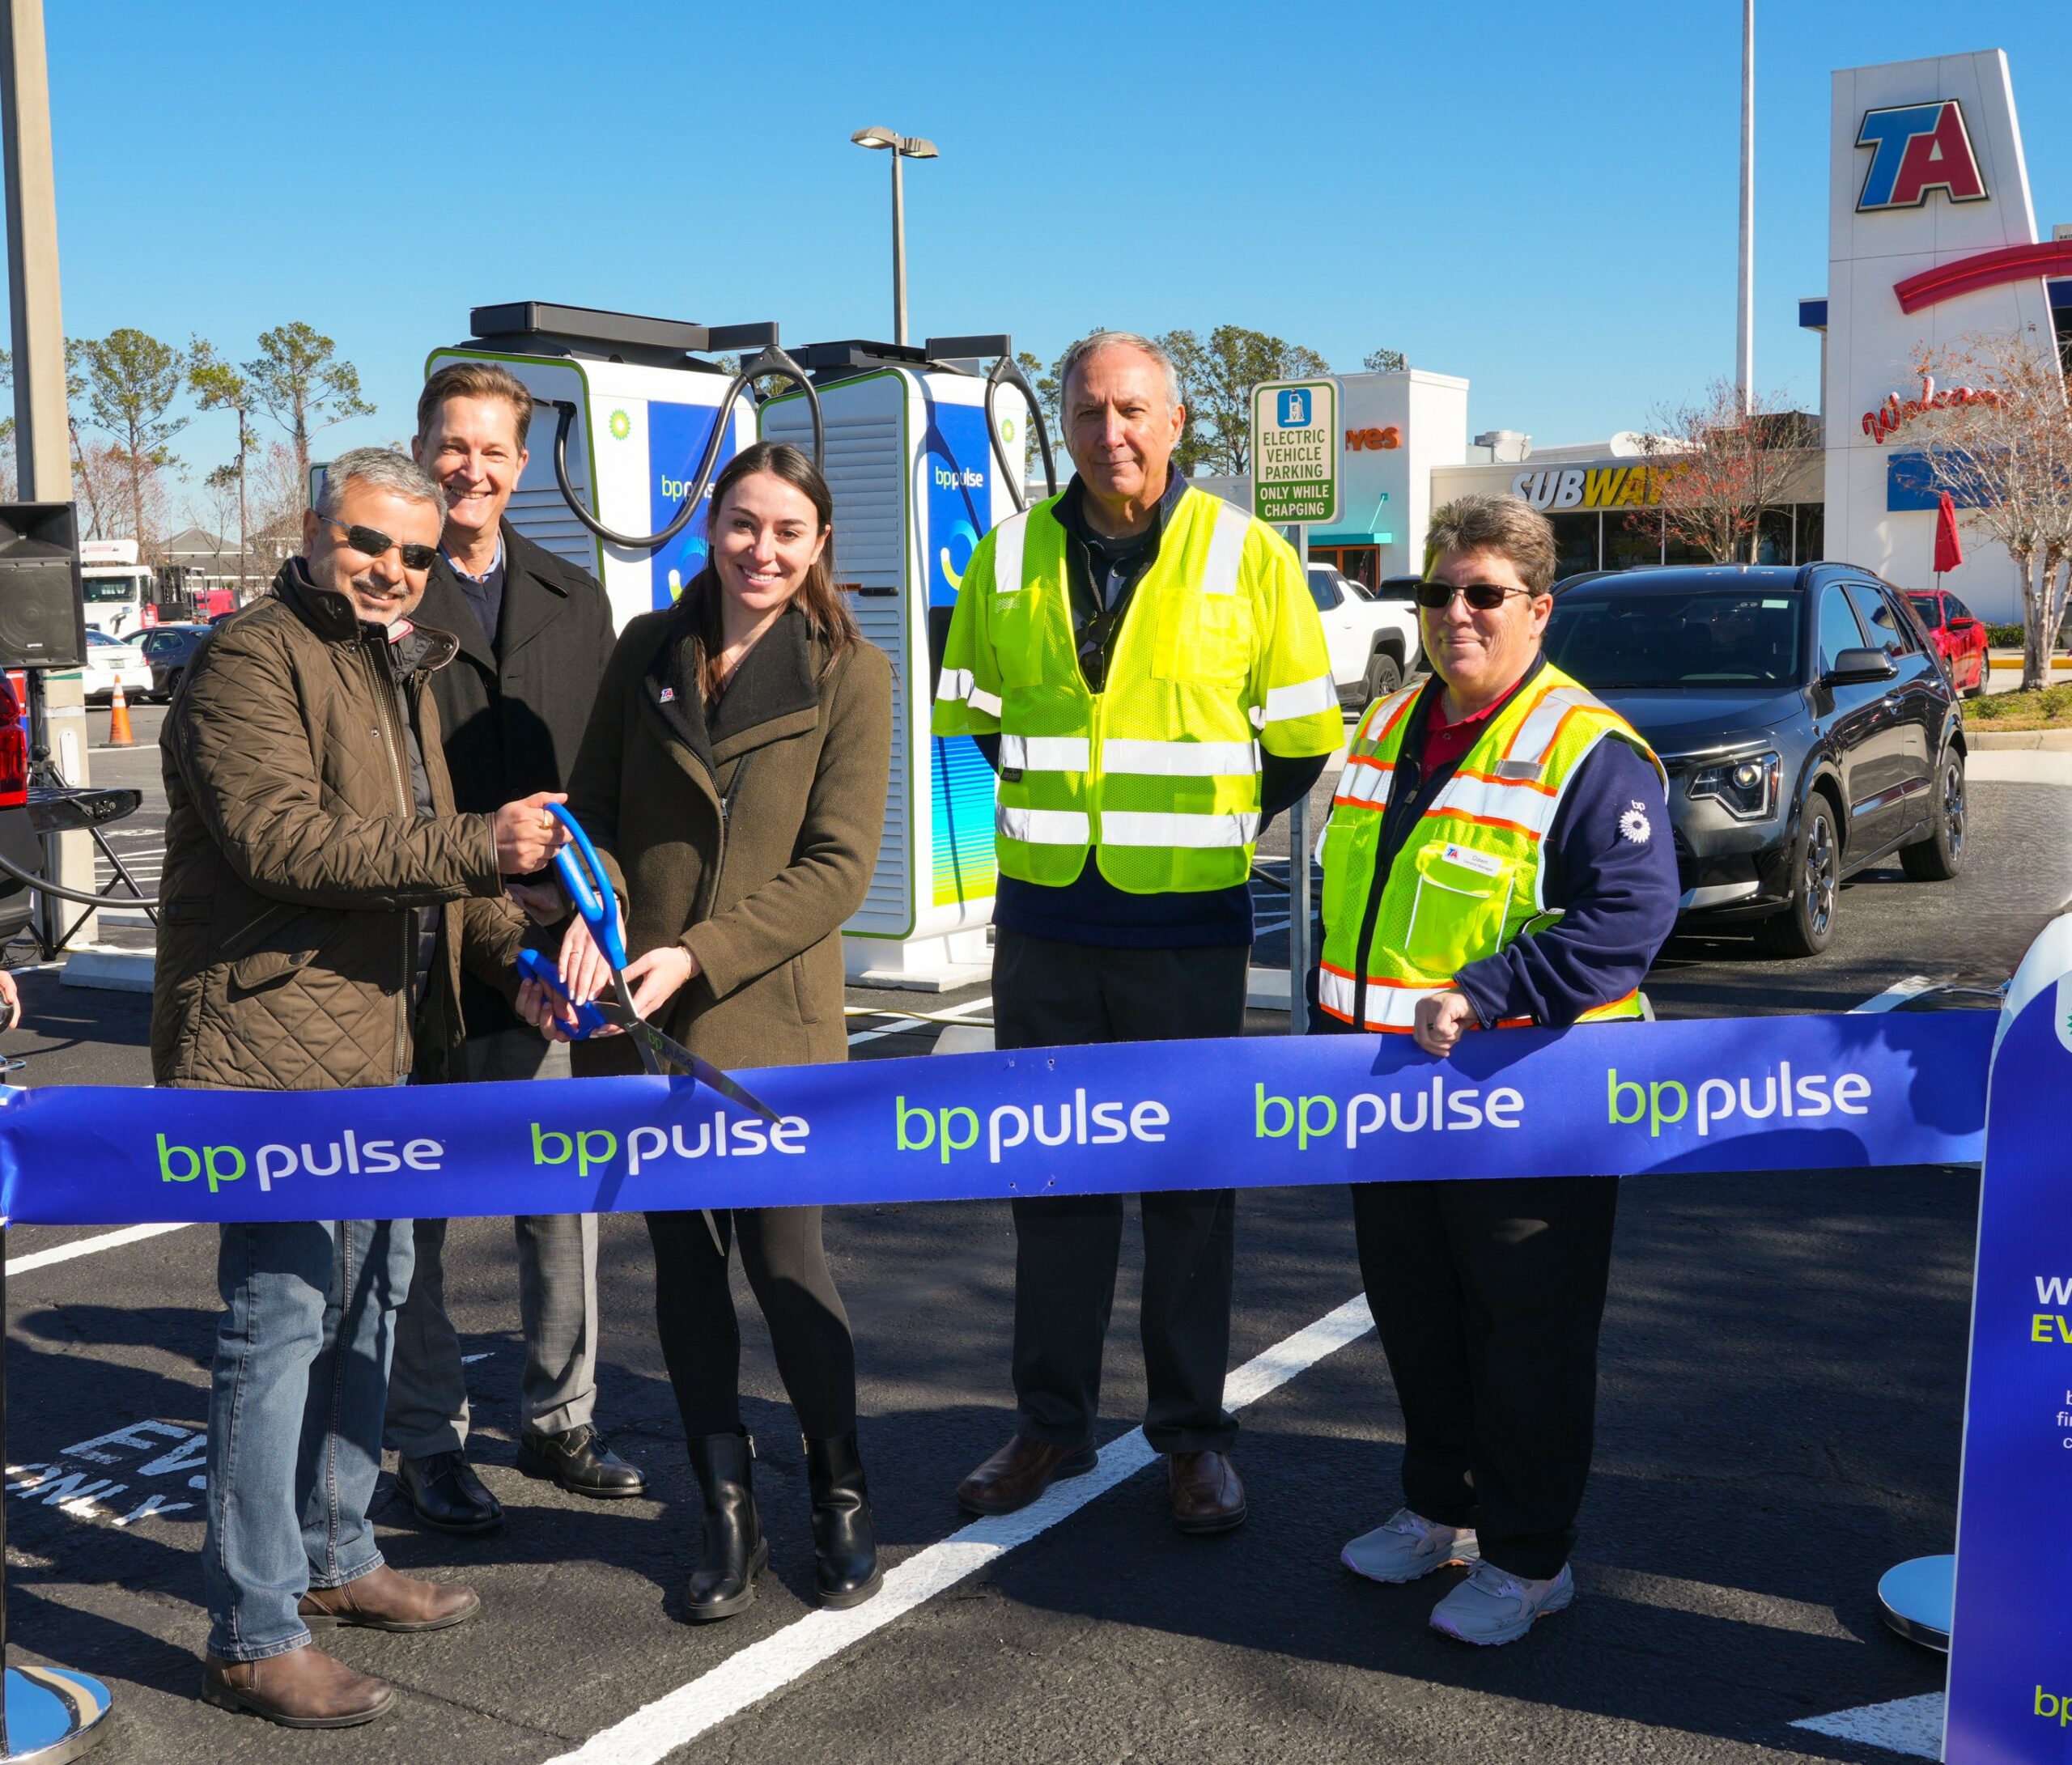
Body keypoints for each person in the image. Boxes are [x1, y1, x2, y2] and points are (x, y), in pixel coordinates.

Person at [155, 448, 567, 1727]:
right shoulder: (251, 660)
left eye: (415, 553)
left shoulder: (403, 671)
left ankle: (337, 1555)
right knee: (275, 1328)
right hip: (272, 1057)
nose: (390, 569)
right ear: (316, 530)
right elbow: (282, 837)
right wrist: (478, 842)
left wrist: (521, 959)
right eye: (368, 543)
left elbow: (435, 877)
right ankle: (252, 1625)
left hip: (387, 1057)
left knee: (374, 1305)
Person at [932, 331, 1342, 1533]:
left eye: (1133, 410)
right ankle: (1051, 1425)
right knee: (1051, 1179)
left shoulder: (1250, 556)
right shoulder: (1005, 558)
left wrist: (1198, 826)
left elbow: (1302, 742)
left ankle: (1192, 1438)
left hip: (1186, 926)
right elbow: (982, 722)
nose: (1111, 431)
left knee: (1187, 1190)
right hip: (1049, 921)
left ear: (1175, 425)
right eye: (1090, 410)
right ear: (1063, 422)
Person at [524, 440, 893, 1620]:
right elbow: (600, 817)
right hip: (641, 1025)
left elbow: (837, 870)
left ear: (820, 542)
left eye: (788, 530)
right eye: (743, 523)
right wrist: (597, 912)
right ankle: (723, 1507)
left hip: (769, 1027)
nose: (762, 550)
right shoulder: (648, 651)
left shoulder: (853, 674)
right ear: (711, 528)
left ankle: (840, 1493)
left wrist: (699, 950)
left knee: (789, 1267)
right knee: (684, 1273)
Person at [1316, 493, 1678, 1646]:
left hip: (1534, 1103)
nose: (1455, 614)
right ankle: (1438, 1509)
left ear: (1537, 608)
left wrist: (1485, 990)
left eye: (1484, 594)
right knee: (1417, 1317)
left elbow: (1629, 915)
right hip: (1388, 1100)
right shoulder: (1384, 729)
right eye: (1438, 592)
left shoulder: (1585, 747)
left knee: (1526, 1336)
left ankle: (1528, 1561)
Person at [384, 361, 643, 1534]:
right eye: (452, 445)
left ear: (523, 465)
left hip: (539, 951)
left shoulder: (572, 598)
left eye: (492, 450)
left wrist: (594, 904)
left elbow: (599, 781)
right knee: (415, 1213)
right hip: (409, 954)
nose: (470, 469)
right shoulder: (382, 591)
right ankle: (427, 1439)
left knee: (557, 1193)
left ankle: (561, 1414)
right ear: (424, 445)